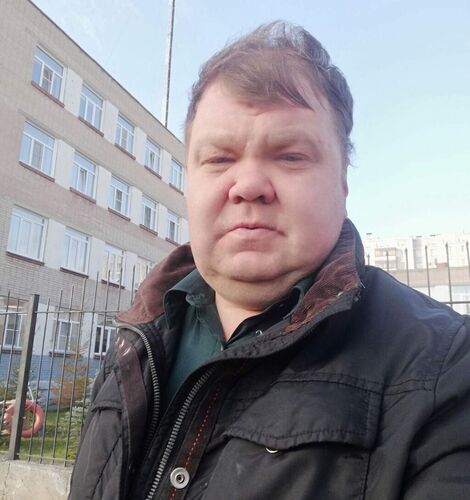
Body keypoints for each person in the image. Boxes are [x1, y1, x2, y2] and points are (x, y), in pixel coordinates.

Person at [69, 22, 470, 500]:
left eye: (290, 156)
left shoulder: (445, 368)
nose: (248, 185)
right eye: (219, 159)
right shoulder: (135, 340)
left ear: (343, 182)